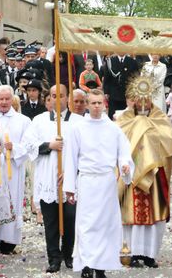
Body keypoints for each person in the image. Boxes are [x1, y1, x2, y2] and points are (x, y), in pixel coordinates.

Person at [64, 89, 133, 278]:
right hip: (87, 180)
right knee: (87, 224)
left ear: (104, 104)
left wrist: (125, 165)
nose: (96, 106)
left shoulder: (113, 128)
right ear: (87, 104)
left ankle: (101, 266)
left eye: (99, 103)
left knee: (105, 224)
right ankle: (87, 264)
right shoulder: (78, 128)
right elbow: (70, 157)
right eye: (92, 103)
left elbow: (123, 151)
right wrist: (69, 187)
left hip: (106, 181)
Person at [116, 75, 172, 269]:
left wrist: (146, 130)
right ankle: (130, 252)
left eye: (146, 97)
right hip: (129, 174)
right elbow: (118, 144)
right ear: (131, 98)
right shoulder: (122, 119)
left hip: (154, 173)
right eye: (137, 97)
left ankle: (149, 254)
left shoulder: (161, 118)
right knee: (130, 216)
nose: (142, 102)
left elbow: (167, 142)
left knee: (153, 215)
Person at [28, 84, 83, 273]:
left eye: (61, 95)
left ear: (67, 98)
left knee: (70, 218)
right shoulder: (38, 120)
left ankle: (68, 254)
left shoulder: (78, 122)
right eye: (53, 95)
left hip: (69, 177)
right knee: (51, 221)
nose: (56, 99)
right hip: (47, 176)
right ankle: (54, 257)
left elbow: (84, 151)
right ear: (48, 98)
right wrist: (48, 145)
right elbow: (29, 146)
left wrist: (71, 173)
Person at [0, 85, 32, 255]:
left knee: (12, 198)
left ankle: (9, 240)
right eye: (1, 99)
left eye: (7, 99)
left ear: (12, 99)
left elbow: (28, 144)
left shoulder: (23, 120)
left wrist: (13, 148)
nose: (4, 102)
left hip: (13, 167)